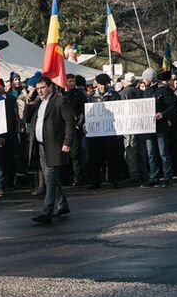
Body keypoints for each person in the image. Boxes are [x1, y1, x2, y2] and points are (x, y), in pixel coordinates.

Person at [25, 75, 75, 224]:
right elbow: (26, 119)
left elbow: (69, 122)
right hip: (41, 145)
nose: (40, 91)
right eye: (38, 88)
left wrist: (67, 142)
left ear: (50, 87)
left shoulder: (60, 100)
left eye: (42, 88)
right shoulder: (38, 102)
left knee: (50, 177)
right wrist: (29, 104)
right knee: (49, 178)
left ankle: (47, 211)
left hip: (55, 146)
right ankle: (62, 204)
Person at [85, 74, 125, 188]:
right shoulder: (92, 96)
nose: (103, 87)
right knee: (95, 157)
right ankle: (95, 181)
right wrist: (85, 124)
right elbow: (88, 112)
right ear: (96, 84)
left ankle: (115, 180)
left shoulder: (115, 95)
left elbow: (120, 112)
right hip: (96, 132)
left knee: (112, 157)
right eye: (100, 84)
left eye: (105, 84)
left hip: (110, 131)